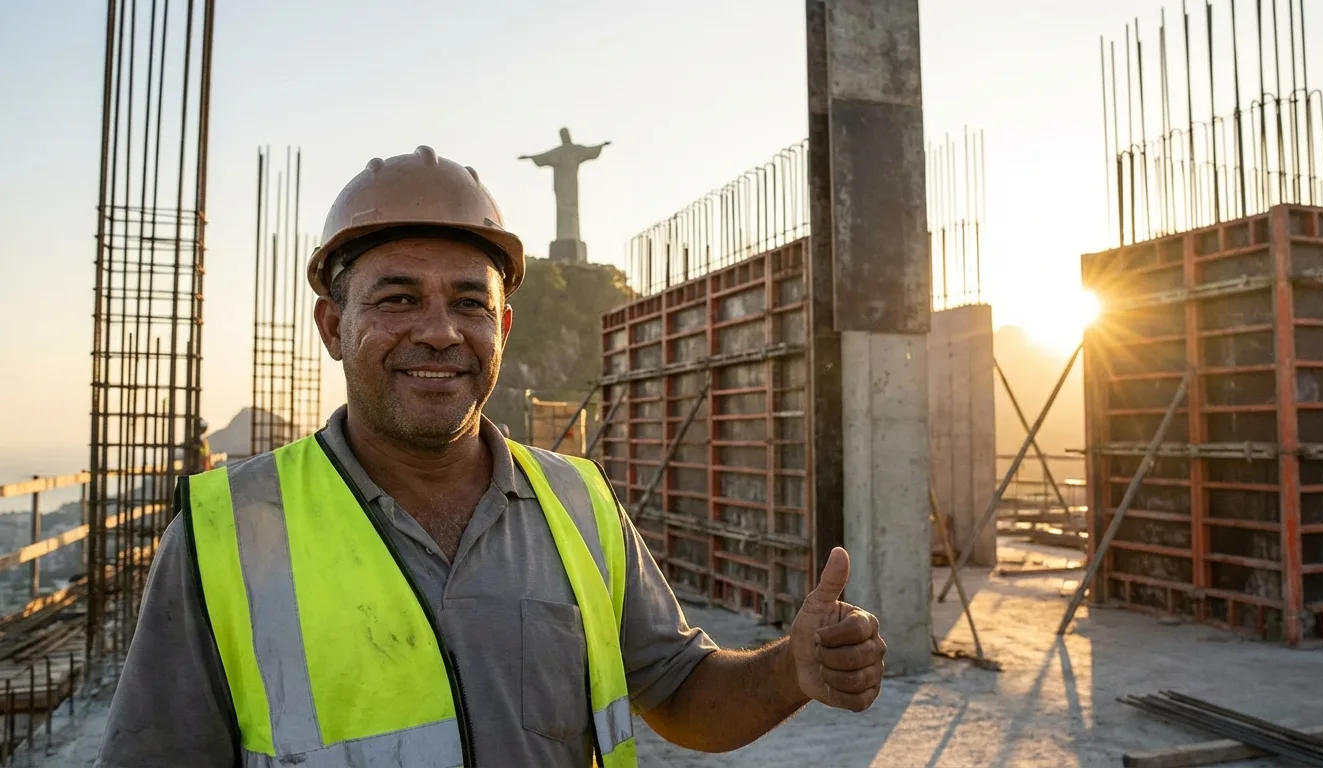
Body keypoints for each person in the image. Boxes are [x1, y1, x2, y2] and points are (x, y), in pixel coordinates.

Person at [95, 146, 886, 768]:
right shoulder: (227, 534)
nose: (439, 330)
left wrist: (794, 669)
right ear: (332, 325)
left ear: (503, 327)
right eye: (398, 298)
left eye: (469, 302)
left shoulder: (579, 503)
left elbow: (679, 690)